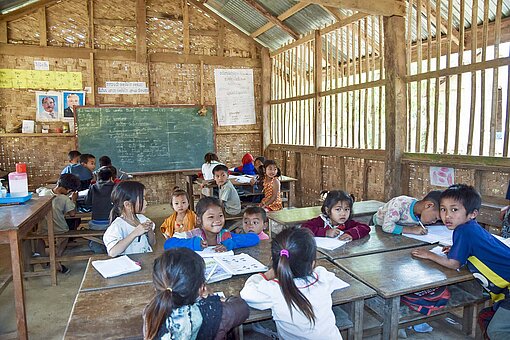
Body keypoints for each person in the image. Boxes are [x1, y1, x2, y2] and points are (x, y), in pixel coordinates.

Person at [412, 184, 510, 339]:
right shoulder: (471, 228)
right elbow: (479, 247)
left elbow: (454, 264)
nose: (447, 216)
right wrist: (457, 248)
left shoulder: (463, 230)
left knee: (497, 331)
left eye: (454, 210)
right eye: (443, 209)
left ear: (472, 213)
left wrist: (430, 255)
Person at [240, 227, 345, 339]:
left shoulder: (274, 289)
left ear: (275, 262)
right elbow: (328, 277)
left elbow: (247, 292)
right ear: (312, 263)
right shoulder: (322, 276)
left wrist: (266, 275)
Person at [143, 248, 249, 340]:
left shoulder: (151, 311)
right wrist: (218, 299)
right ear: (201, 289)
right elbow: (242, 308)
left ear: (157, 286)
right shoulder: (214, 311)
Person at [163, 196, 259, 252]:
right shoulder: (193, 235)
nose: (217, 220)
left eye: (220, 216)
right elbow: (168, 243)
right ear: (199, 220)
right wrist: (193, 243)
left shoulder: (225, 235)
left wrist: (230, 244)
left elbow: (254, 238)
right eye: (211, 217)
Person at [35, 174, 81, 274]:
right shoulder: (64, 199)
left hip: (43, 227)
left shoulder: (44, 192)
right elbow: (72, 214)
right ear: (67, 189)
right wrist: (73, 199)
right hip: (59, 228)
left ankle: (43, 260)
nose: (69, 192)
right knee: (64, 238)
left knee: (40, 238)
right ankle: (56, 259)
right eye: (69, 190)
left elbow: (38, 190)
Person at [103, 181, 156, 257]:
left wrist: (150, 230)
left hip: (145, 261)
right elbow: (113, 252)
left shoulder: (142, 219)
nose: (146, 202)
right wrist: (135, 233)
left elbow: (153, 243)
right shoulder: (117, 226)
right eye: (142, 199)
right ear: (127, 205)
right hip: (129, 266)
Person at [302, 190, 370, 240]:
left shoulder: (347, 223)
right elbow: (304, 228)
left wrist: (350, 234)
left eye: (346, 209)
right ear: (327, 210)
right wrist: (325, 232)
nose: (343, 213)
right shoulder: (321, 221)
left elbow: (365, 227)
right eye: (338, 209)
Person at [373, 190, 442, 235]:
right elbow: (387, 227)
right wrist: (412, 230)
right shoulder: (400, 204)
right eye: (435, 218)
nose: (434, 222)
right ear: (428, 205)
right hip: (378, 226)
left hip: (396, 232)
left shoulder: (422, 214)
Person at [83, 166, 116, 253]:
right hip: (112, 223)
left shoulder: (93, 187)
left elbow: (87, 203)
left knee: (95, 239)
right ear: (111, 177)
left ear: (98, 177)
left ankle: (97, 246)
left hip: (95, 223)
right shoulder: (116, 187)